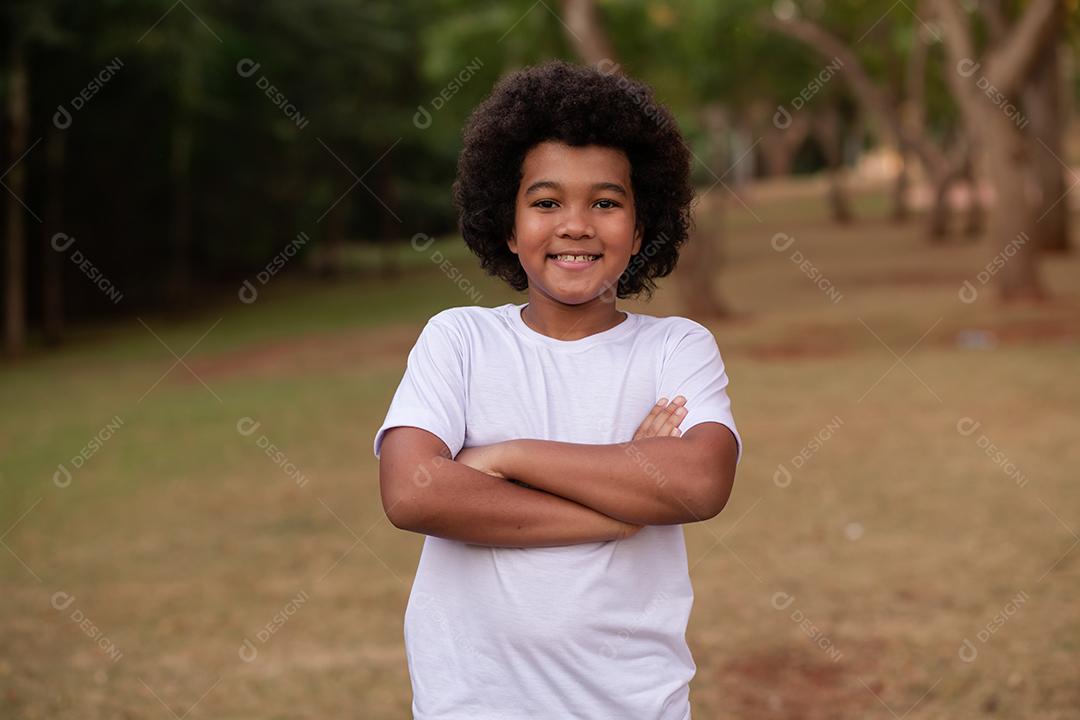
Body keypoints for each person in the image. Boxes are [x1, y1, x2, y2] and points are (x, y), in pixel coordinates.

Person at [373, 59, 743, 720]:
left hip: (633, 704)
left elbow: (699, 483)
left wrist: (506, 458)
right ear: (508, 226)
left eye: (605, 202)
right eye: (546, 203)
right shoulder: (458, 340)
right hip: (473, 705)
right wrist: (623, 508)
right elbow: (412, 491)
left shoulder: (675, 349)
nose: (575, 225)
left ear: (639, 226)